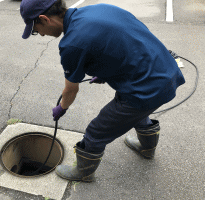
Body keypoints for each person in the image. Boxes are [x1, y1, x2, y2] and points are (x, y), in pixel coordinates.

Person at [20, 0, 185, 182]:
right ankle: (147, 149)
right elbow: (128, 40)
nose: (41, 35)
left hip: (145, 88)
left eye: (36, 30)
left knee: (96, 131)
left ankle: (83, 173)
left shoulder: (72, 44)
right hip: (166, 72)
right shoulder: (99, 9)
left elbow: (70, 90)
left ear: (44, 19)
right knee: (137, 112)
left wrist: (62, 108)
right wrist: (106, 71)